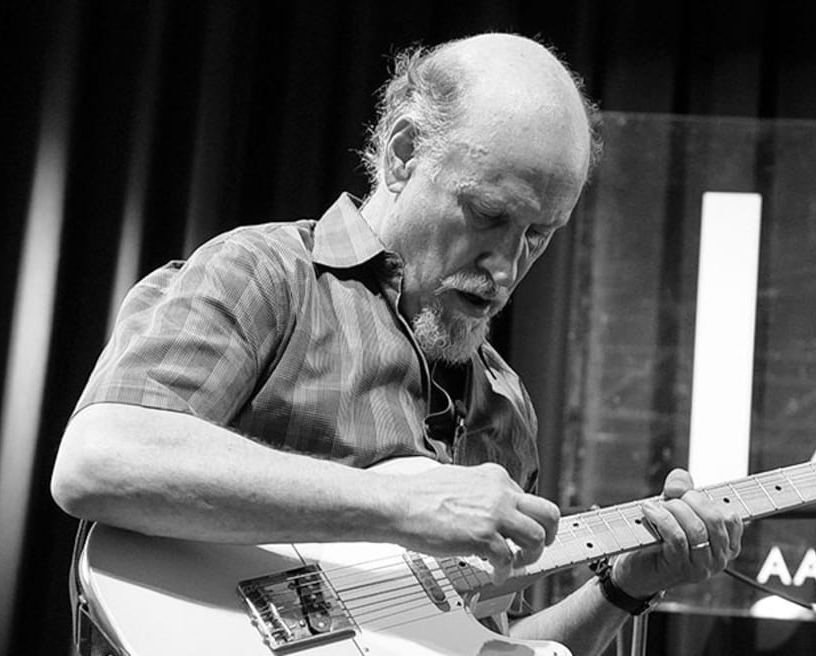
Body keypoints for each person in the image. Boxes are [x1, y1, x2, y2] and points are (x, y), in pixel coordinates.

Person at [51, 32, 743, 655]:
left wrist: (623, 589)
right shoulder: (265, 274)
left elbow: (476, 647)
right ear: (404, 152)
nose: (506, 267)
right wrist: (410, 507)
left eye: (539, 235)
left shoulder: (504, 405)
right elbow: (100, 460)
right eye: (488, 215)